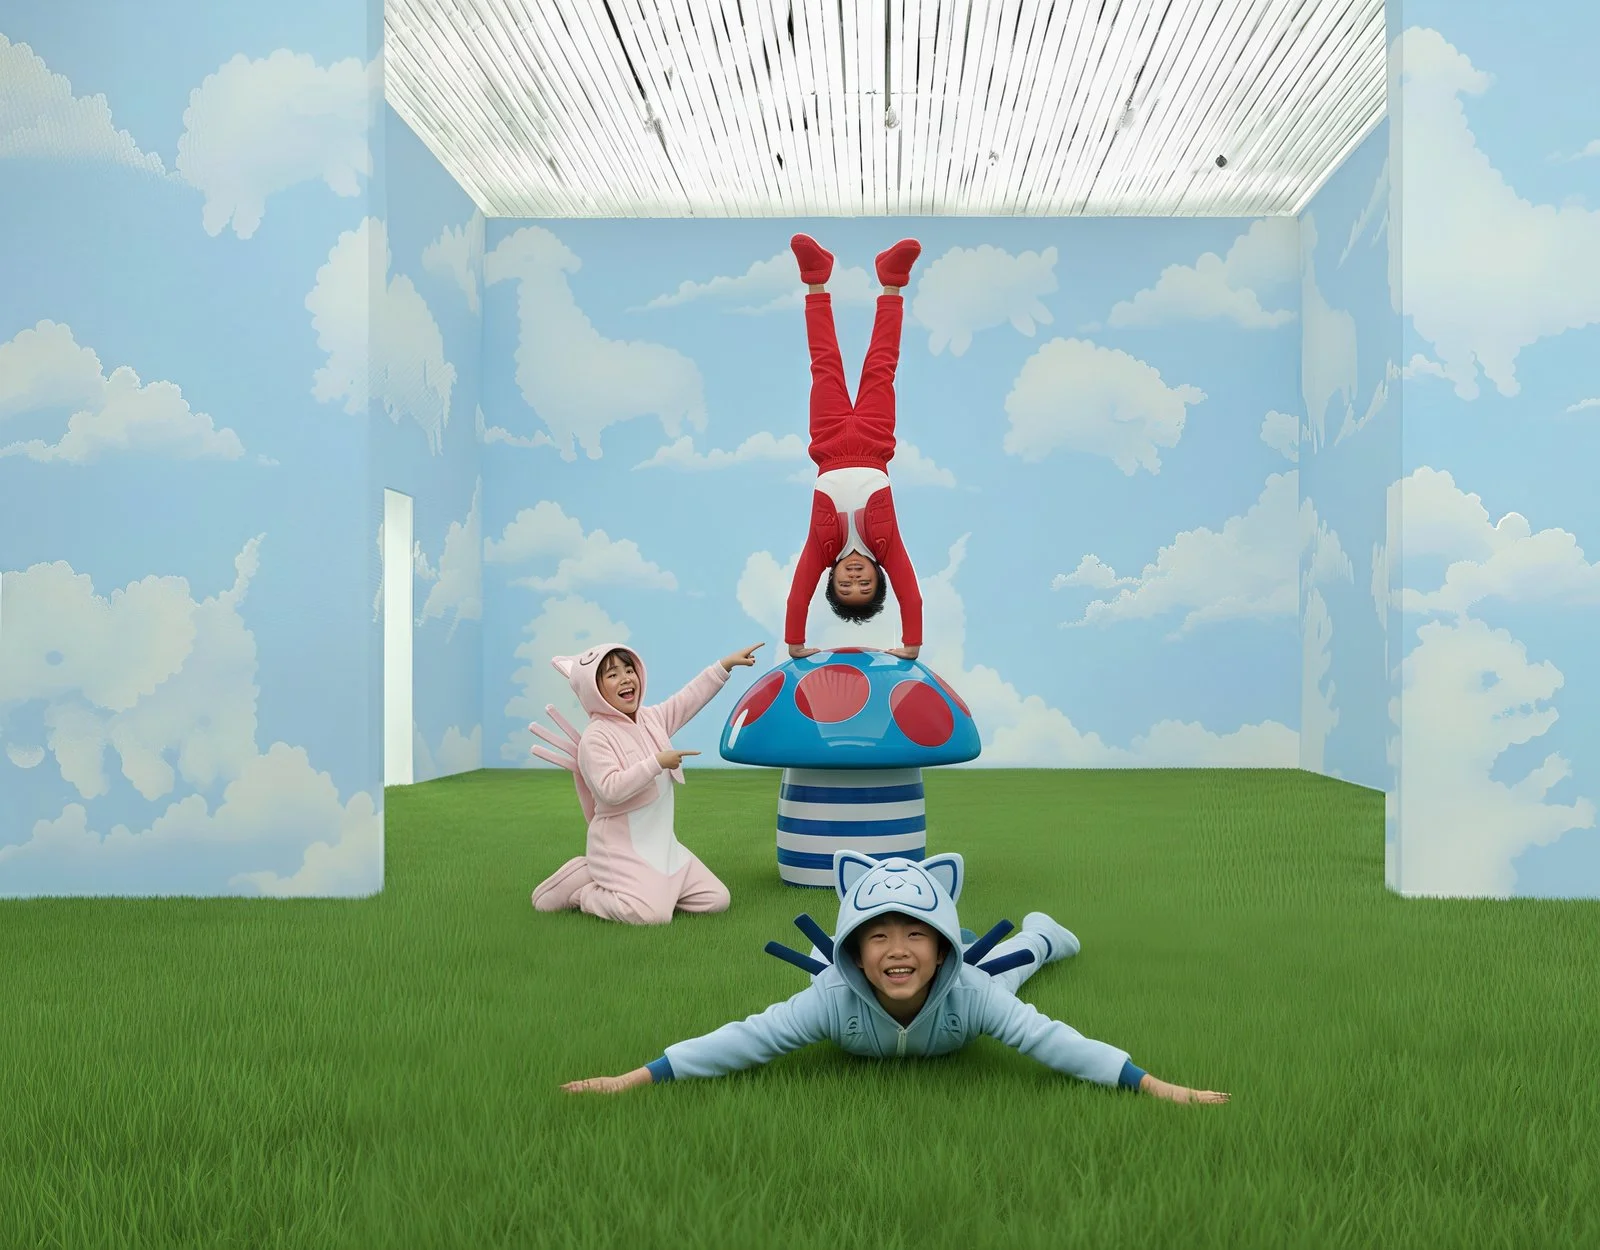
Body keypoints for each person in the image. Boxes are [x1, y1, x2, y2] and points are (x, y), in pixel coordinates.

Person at [561, 851, 1230, 1104]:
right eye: (877, 936)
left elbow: (1053, 1041)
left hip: (973, 984)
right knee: (990, 973)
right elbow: (746, 1038)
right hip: (905, 981)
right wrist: (633, 1079)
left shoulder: (969, 990)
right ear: (854, 953)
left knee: (1005, 970)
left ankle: (1044, 934)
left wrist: (1156, 1086)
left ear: (941, 950)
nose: (898, 951)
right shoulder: (830, 998)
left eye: (916, 934)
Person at [530, 640, 762, 925]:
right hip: (620, 849)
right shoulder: (596, 737)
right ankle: (586, 891)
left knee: (716, 899)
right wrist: (656, 763)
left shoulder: (651, 719)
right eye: (612, 674)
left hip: (662, 846)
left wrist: (724, 666)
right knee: (652, 915)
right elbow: (610, 789)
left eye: (629, 670)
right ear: (593, 689)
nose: (626, 678)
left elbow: (688, 699)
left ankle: (650, 885)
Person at [785, 234, 924, 662]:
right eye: (866, 585)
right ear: (880, 577)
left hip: (827, 441)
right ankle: (892, 282)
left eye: (846, 587)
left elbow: (797, 595)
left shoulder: (820, 549)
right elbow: (912, 595)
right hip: (874, 441)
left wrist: (794, 644)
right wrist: (911, 646)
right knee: (881, 366)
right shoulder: (887, 547)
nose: (855, 579)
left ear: (830, 579)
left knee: (823, 364)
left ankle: (816, 277)